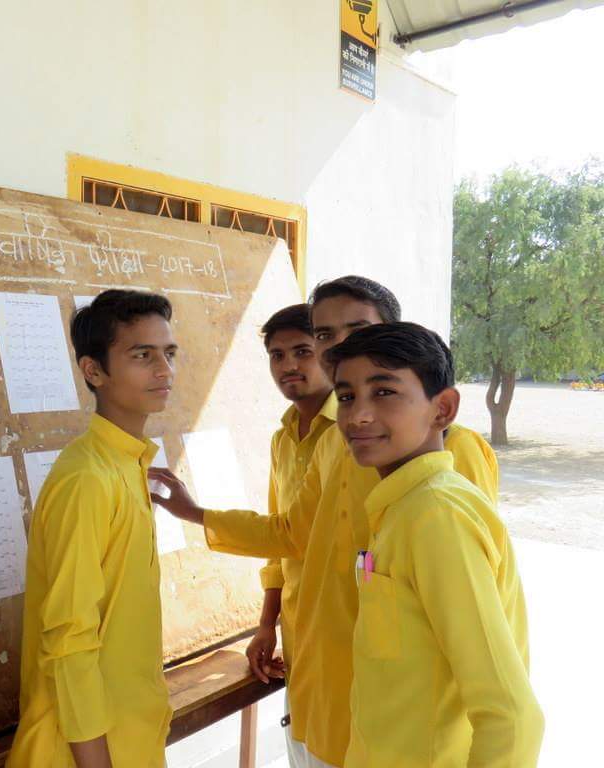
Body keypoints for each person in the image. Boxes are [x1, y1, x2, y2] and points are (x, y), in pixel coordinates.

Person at [150, 276, 498, 768]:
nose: (338, 347)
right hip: (316, 674)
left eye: (357, 329)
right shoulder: (336, 443)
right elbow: (290, 535)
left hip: (397, 710)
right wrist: (197, 515)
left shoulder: (453, 447)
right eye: (325, 335)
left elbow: (484, 632)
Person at [327, 322, 543, 766]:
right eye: (346, 396)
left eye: (384, 392)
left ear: (442, 409)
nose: (357, 416)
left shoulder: (436, 515)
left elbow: (511, 717)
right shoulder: (401, 506)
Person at [7, 289, 178, 768]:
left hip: (130, 733)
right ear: (93, 370)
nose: (164, 370)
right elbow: (69, 636)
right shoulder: (86, 478)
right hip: (82, 750)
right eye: (143, 356)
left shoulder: (126, 465)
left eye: (169, 353)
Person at [247, 304, 337, 755]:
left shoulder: (354, 434)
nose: (289, 366)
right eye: (277, 355)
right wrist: (267, 624)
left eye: (302, 351)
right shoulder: (282, 439)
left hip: (344, 634)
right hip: (297, 636)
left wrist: (198, 514)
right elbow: (278, 542)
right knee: (302, 749)